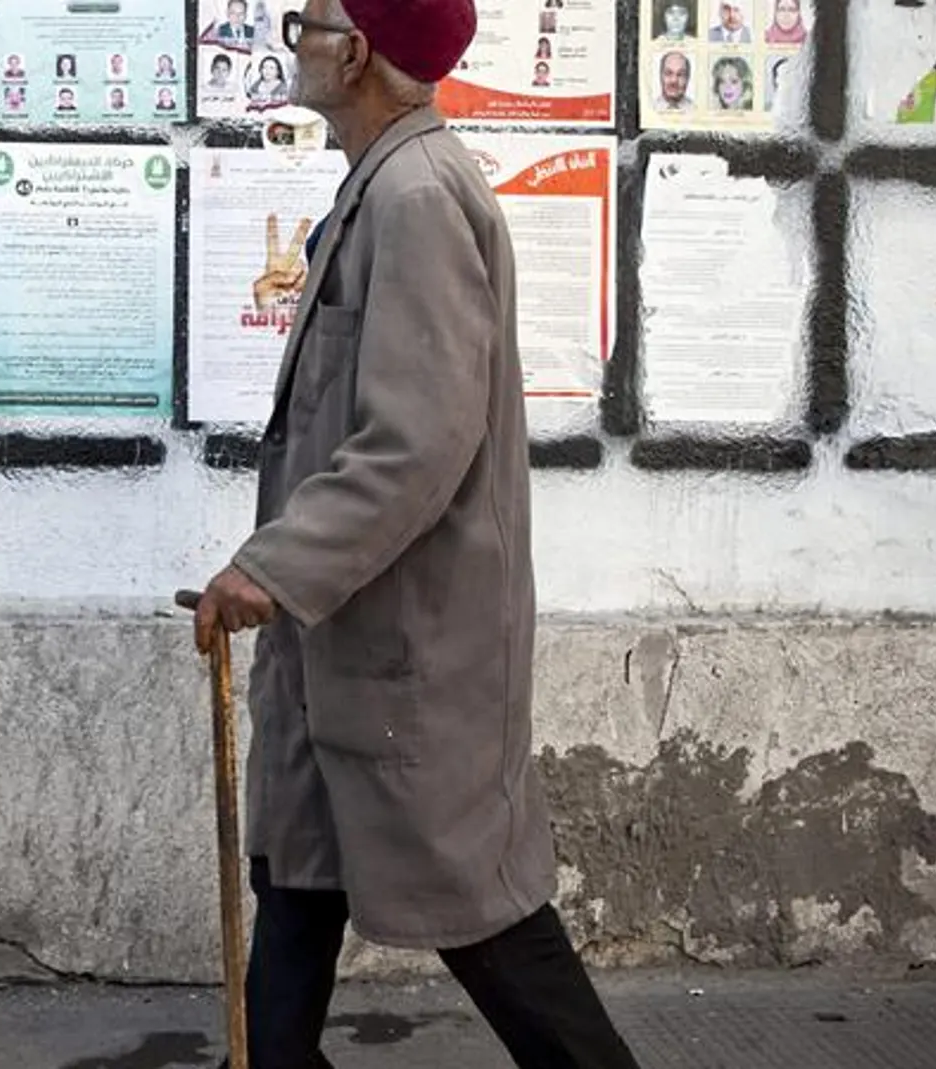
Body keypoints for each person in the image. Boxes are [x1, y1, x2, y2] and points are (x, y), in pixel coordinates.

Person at [189, 3, 642, 1067]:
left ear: (353, 52)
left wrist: (273, 569)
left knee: (488, 919)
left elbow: (418, 441)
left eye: (304, 22)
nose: (291, 40)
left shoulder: (419, 196)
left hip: (409, 647)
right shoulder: (382, 183)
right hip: (341, 638)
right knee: (296, 879)